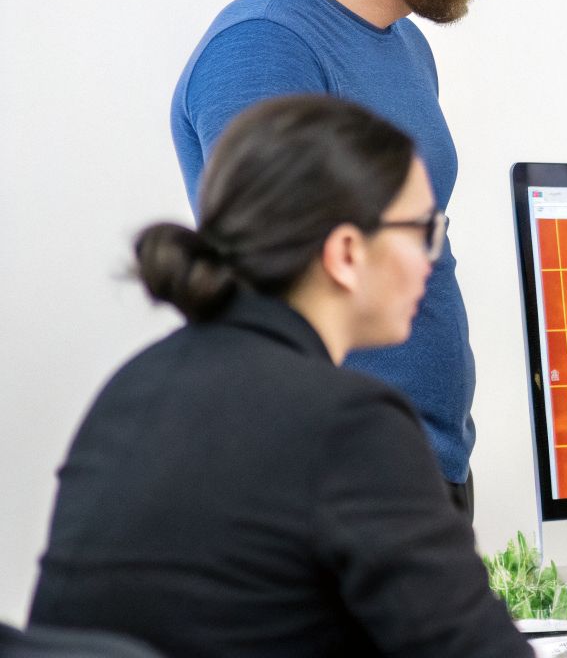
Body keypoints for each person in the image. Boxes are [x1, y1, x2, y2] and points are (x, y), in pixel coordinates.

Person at [30, 95, 530, 658]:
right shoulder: (349, 422)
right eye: (420, 231)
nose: (428, 260)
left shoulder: (131, 388)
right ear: (345, 253)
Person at [170, 0, 557, 516]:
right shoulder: (264, 48)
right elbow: (279, 281)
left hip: (424, 460)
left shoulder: (406, 46)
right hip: (331, 471)